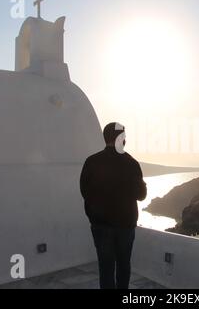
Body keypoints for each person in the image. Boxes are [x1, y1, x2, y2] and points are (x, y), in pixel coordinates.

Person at [80, 122, 147, 289]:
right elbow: (141, 195)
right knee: (124, 266)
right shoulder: (132, 163)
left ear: (105, 138)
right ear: (122, 139)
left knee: (105, 268)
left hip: (100, 225)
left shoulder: (92, 161)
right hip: (125, 226)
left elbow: (85, 191)